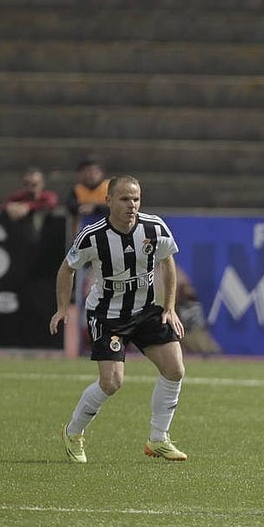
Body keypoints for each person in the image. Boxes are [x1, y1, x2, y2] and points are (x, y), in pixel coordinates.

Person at [49, 175, 188, 463]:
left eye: (136, 199)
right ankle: (73, 432)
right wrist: (63, 308)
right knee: (112, 382)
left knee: (175, 369)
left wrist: (169, 307)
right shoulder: (93, 236)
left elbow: (167, 262)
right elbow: (67, 269)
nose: (131, 205)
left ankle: (158, 439)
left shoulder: (154, 227)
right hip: (107, 315)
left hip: (145, 310)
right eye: (124, 199)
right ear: (109, 200)